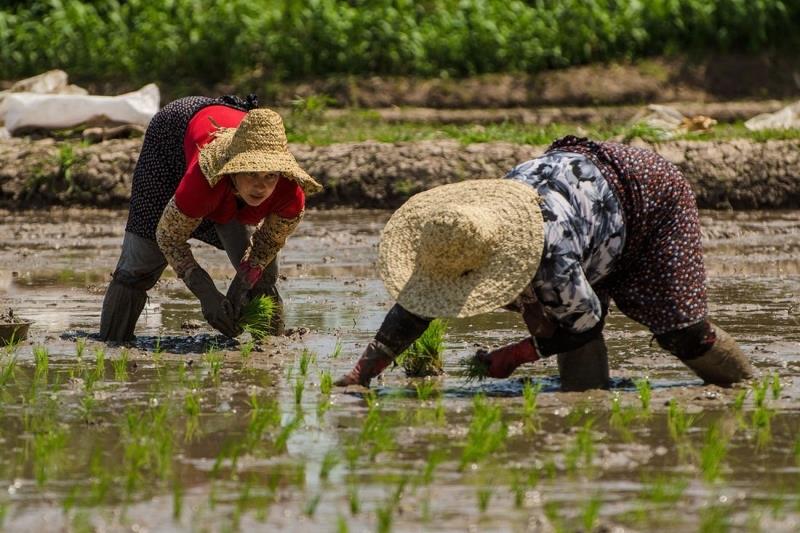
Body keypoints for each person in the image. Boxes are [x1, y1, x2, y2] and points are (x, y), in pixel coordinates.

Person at [335, 136, 755, 390]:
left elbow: (585, 323)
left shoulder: (550, 260)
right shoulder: (461, 231)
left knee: (681, 333)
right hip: (578, 198)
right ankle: (587, 395)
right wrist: (361, 374)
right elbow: (417, 304)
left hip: (649, 197)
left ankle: (748, 386)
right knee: (557, 308)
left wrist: (518, 354)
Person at [98, 95, 321, 342]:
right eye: (252, 173)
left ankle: (270, 352)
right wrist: (206, 294)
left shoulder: (289, 192)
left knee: (263, 278)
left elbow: (266, 244)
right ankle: (111, 344)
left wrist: (241, 284)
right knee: (138, 265)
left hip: (225, 184)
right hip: (172, 140)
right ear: (234, 168)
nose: (261, 186)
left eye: (270, 175)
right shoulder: (202, 182)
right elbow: (169, 237)